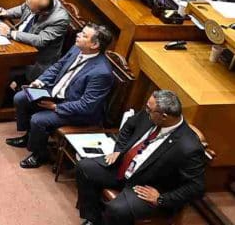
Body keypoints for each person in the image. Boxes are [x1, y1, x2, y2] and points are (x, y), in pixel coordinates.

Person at [75, 90, 206, 225]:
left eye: (149, 110)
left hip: (145, 186)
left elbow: (196, 187)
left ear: (164, 116)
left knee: (117, 210)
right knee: (84, 167)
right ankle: (93, 219)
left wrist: (162, 199)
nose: (145, 111)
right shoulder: (150, 114)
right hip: (123, 167)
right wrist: (118, 150)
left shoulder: (189, 147)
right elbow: (128, 127)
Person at [6, 24, 115, 168]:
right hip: (56, 92)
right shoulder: (77, 48)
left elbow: (86, 105)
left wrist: (55, 106)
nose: (78, 35)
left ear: (94, 45)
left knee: (38, 120)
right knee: (21, 98)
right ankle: (29, 137)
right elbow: (58, 66)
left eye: (84, 35)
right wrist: (40, 81)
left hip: (77, 111)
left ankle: (39, 154)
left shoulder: (102, 72)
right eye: (81, 32)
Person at [0, 0, 69, 82]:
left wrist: (11, 33)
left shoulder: (60, 19)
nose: (28, 8)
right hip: (18, 42)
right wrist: (6, 13)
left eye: (31, 10)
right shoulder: (38, 0)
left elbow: (40, 40)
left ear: (43, 13)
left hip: (35, 58)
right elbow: (23, 8)